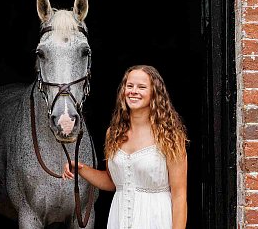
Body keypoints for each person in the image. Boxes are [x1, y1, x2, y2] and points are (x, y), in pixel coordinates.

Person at [62, 65, 188, 229]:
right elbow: (112, 182)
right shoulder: (113, 133)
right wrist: (81, 169)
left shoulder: (171, 136)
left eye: (141, 87)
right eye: (129, 86)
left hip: (155, 218)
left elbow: (179, 195)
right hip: (119, 219)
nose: (133, 91)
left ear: (155, 93)